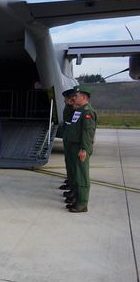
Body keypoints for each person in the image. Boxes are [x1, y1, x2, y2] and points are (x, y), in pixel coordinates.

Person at [63, 85, 97, 213]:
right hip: (73, 146)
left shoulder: (87, 112)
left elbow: (88, 132)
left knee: (82, 175)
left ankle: (82, 204)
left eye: (76, 96)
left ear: (83, 97)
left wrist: (84, 149)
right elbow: (67, 119)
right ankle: (77, 198)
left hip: (80, 147)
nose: (73, 97)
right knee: (76, 173)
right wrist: (69, 105)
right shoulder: (79, 110)